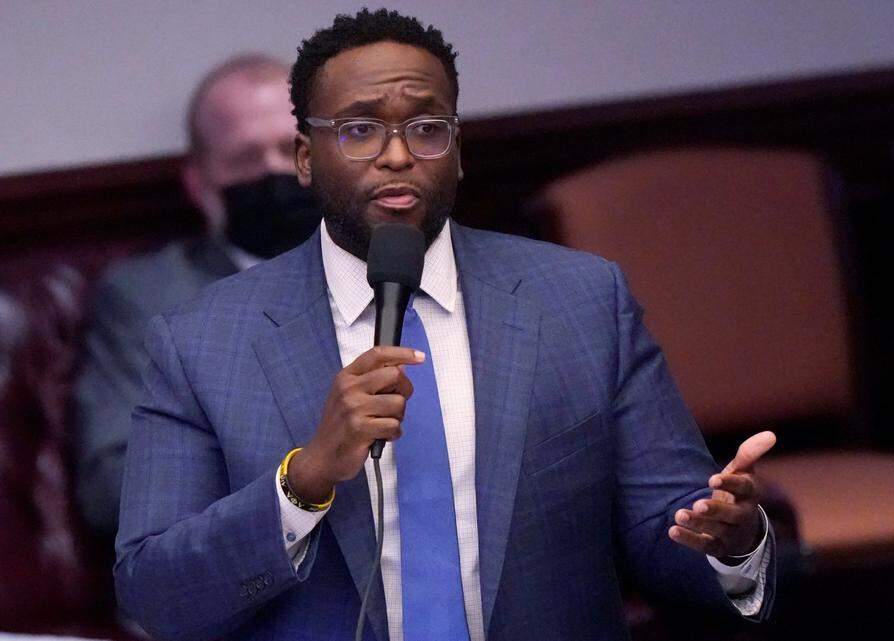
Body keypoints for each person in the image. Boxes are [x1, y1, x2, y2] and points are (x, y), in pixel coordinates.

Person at [115, 9, 781, 641]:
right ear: (305, 156)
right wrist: (305, 479)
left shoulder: (580, 302)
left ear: (458, 150)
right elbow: (156, 594)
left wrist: (731, 543)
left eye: (427, 127)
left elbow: (669, 527)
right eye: (360, 129)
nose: (398, 155)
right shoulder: (202, 340)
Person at [73, 54, 321, 540]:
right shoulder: (149, 296)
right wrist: (301, 467)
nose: (274, 171)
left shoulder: (387, 267)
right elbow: (110, 485)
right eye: (245, 158)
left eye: (291, 149)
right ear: (199, 183)